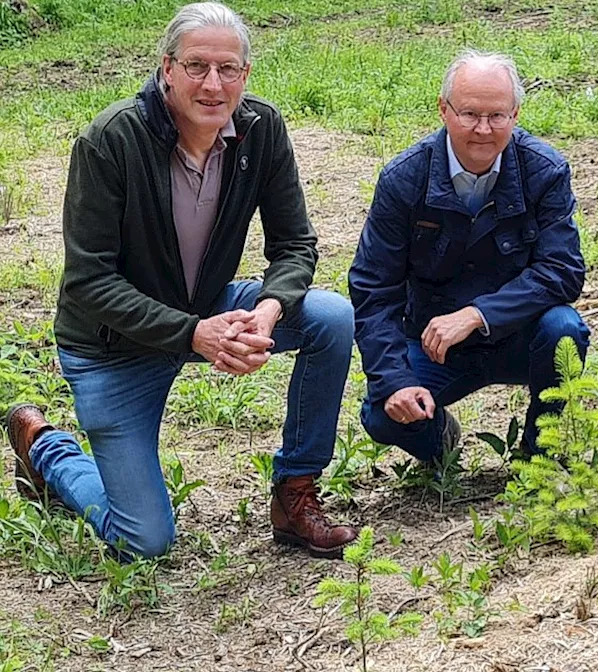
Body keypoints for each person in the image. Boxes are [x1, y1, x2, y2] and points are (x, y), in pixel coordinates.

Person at [1, 2, 357, 560]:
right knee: (145, 540)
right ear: (166, 69)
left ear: (246, 75)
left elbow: (294, 245)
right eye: (196, 66)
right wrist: (196, 334)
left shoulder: (261, 130)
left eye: (228, 69)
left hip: (205, 305)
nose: (213, 84)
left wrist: (267, 311)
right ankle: (46, 450)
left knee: (330, 316)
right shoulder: (110, 140)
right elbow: (90, 281)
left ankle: (295, 493)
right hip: (113, 345)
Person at [349, 51, 589, 468]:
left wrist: (477, 314)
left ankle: (542, 460)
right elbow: (374, 289)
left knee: (564, 330)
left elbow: (563, 270)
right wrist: (396, 381)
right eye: (469, 114)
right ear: (443, 110)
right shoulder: (404, 179)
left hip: (520, 335)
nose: (482, 129)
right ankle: (438, 439)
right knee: (382, 413)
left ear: (515, 113)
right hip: (435, 346)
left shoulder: (545, 171)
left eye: (497, 116)